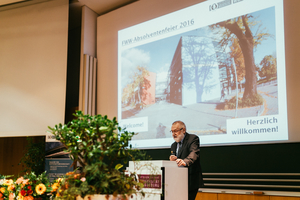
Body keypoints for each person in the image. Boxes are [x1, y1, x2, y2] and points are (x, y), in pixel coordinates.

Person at [169, 121, 203, 200]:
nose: (173, 134)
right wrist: (172, 160)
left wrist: (185, 161)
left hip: (191, 181)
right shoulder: (173, 145)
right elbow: (176, 161)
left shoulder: (193, 139)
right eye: (172, 131)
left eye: (176, 131)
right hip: (178, 182)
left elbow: (194, 153)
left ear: (183, 130)